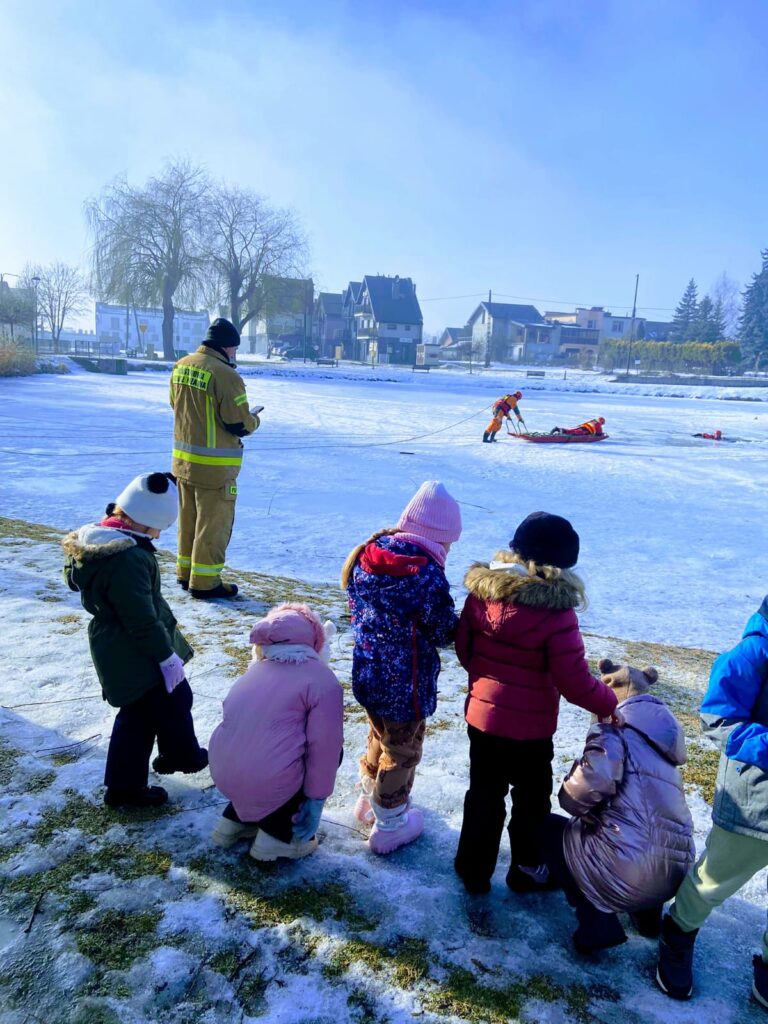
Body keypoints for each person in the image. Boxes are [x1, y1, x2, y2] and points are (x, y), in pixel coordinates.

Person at [453, 512, 618, 895]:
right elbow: (573, 680)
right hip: (531, 730)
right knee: (531, 800)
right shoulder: (556, 613)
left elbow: (466, 649)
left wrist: (485, 684)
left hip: (482, 719)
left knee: (483, 793)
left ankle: (472, 869)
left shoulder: (482, 594)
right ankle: (527, 870)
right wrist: (610, 702)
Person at [63, 473, 208, 809]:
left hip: (120, 645)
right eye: (158, 528)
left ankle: (178, 756)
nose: (159, 536)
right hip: (133, 649)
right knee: (142, 715)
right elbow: (140, 618)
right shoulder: (127, 558)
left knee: (162, 703)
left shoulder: (104, 540)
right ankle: (129, 788)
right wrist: (166, 657)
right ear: (142, 522)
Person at [656, 595, 768, 1007]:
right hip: (756, 800)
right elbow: (718, 717)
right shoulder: (753, 652)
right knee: (714, 879)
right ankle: (678, 934)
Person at [543, 659, 695, 953]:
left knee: (548, 828)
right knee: (644, 828)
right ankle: (648, 917)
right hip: (673, 874)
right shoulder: (662, 739)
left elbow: (577, 798)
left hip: (626, 872)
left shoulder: (614, 729)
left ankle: (596, 919)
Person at [341, 481, 461, 854]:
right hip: (404, 682)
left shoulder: (369, 555)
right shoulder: (424, 574)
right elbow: (442, 630)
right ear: (440, 538)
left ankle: (369, 798)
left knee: (379, 735)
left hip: (368, 671)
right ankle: (390, 819)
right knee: (403, 749)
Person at [208, 603, 343, 862]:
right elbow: (325, 747)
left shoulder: (256, 671)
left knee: (265, 752)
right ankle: (277, 837)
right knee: (327, 755)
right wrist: (315, 800)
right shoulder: (322, 680)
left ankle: (233, 821)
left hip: (225, 773)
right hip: (268, 778)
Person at [170, 318, 260, 600]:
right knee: (213, 526)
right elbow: (239, 423)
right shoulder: (226, 375)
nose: (235, 353)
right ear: (227, 347)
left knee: (188, 521)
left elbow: (175, 404)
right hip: (215, 469)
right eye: (234, 348)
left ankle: (186, 574)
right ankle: (205, 583)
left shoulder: (182, 365)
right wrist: (254, 419)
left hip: (183, 463)